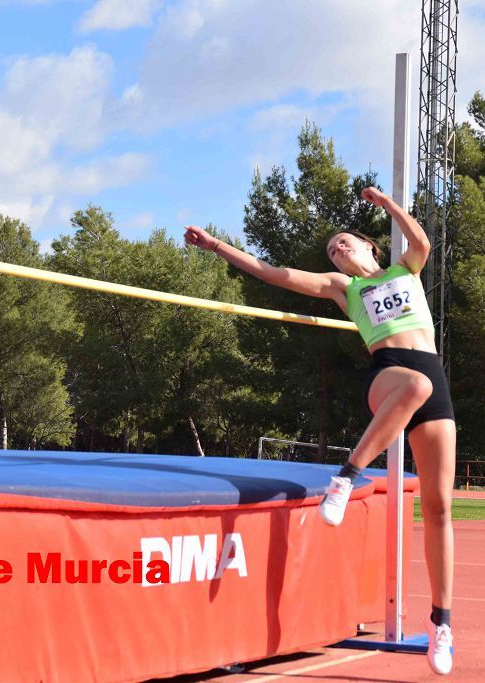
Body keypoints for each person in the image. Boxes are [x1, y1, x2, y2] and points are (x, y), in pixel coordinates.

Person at [184, 185, 455, 675]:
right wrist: (217, 246)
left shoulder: (403, 269)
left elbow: (421, 243)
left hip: (434, 378)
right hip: (389, 369)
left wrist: (389, 206)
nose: (338, 250)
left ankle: (442, 624)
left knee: (439, 507)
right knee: (410, 386)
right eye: (331, 249)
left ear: (371, 246)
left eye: (345, 242)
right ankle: (346, 476)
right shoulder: (343, 288)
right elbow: (276, 274)